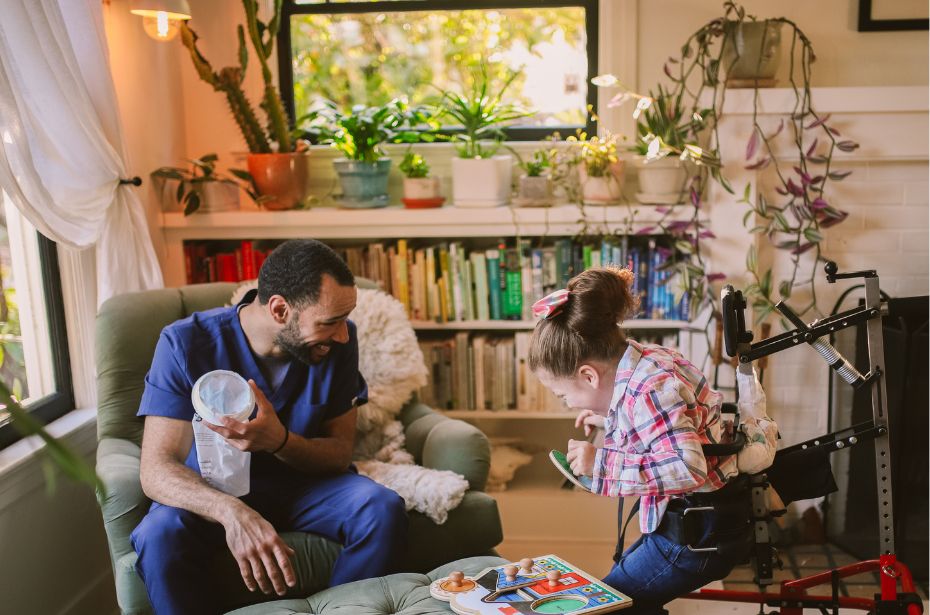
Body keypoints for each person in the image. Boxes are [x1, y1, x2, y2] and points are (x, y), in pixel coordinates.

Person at [131, 239, 408, 615]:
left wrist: (279, 440)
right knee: (157, 533)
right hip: (214, 492)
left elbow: (340, 453)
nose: (343, 335)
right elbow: (156, 469)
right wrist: (230, 512)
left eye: (346, 320)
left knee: (381, 507)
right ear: (280, 309)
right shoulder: (185, 343)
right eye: (330, 322)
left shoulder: (339, 343)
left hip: (303, 488)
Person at [528, 266, 750, 615]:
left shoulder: (649, 389)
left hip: (698, 535)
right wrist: (607, 418)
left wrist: (599, 462)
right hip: (691, 522)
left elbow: (687, 466)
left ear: (588, 375)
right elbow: (673, 422)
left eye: (562, 394)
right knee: (619, 593)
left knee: (610, 606)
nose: (567, 403)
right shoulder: (649, 360)